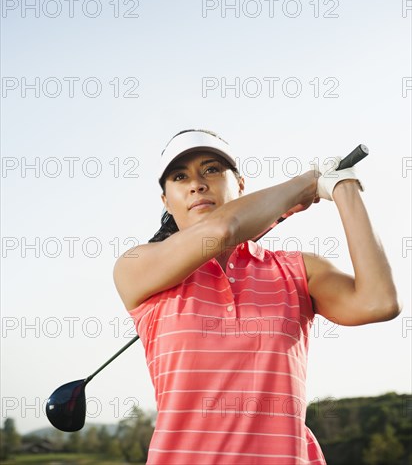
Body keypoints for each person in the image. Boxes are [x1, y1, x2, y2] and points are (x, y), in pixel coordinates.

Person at [113, 129, 402, 465]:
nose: (197, 184)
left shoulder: (296, 270)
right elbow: (221, 231)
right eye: (180, 177)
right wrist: (306, 183)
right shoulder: (136, 266)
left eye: (211, 169)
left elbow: (378, 301)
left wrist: (343, 187)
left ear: (240, 185)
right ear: (166, 201)